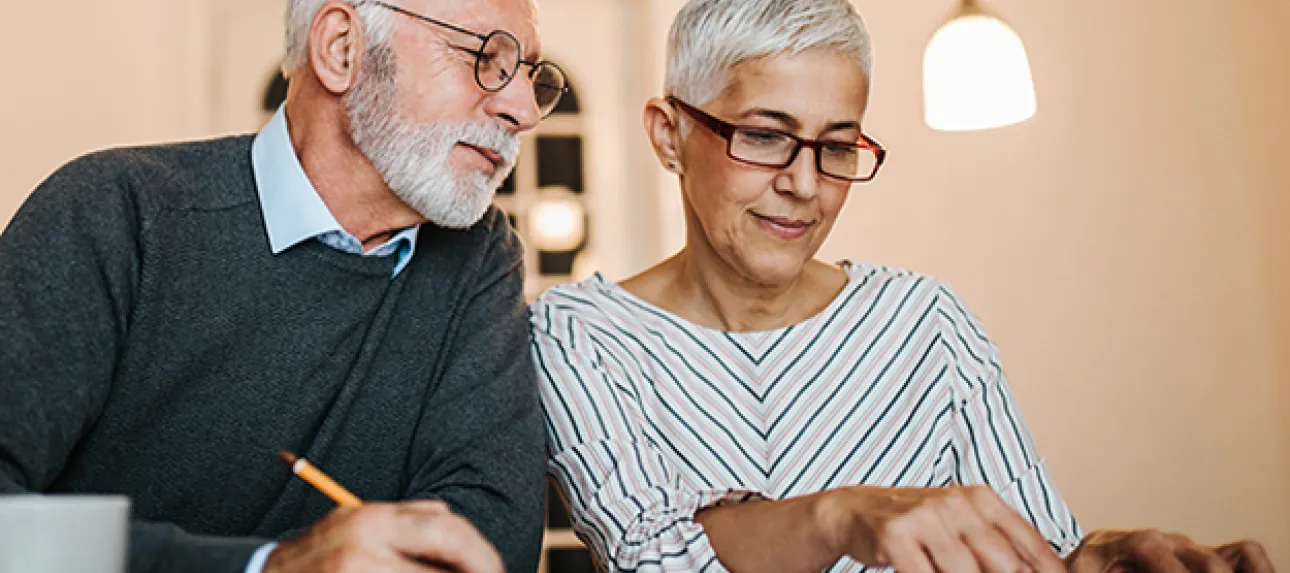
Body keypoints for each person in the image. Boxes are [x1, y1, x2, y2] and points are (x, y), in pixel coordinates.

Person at [530, 1, 1277, 572]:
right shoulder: (581, 334)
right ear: (668, 134)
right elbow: (655, 558)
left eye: (836, 146)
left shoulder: (926, 321)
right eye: (764, 136)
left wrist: (1102, 555)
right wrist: (841, 516)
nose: (804, 184)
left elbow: (1034, 550)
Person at [0, 0, 567, 571]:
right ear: (342, 49)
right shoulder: (114, 214)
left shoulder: (479, 256)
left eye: (529, 75)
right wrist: (272, 565)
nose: (523, 110)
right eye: (484, 57)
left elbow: (485, 544)